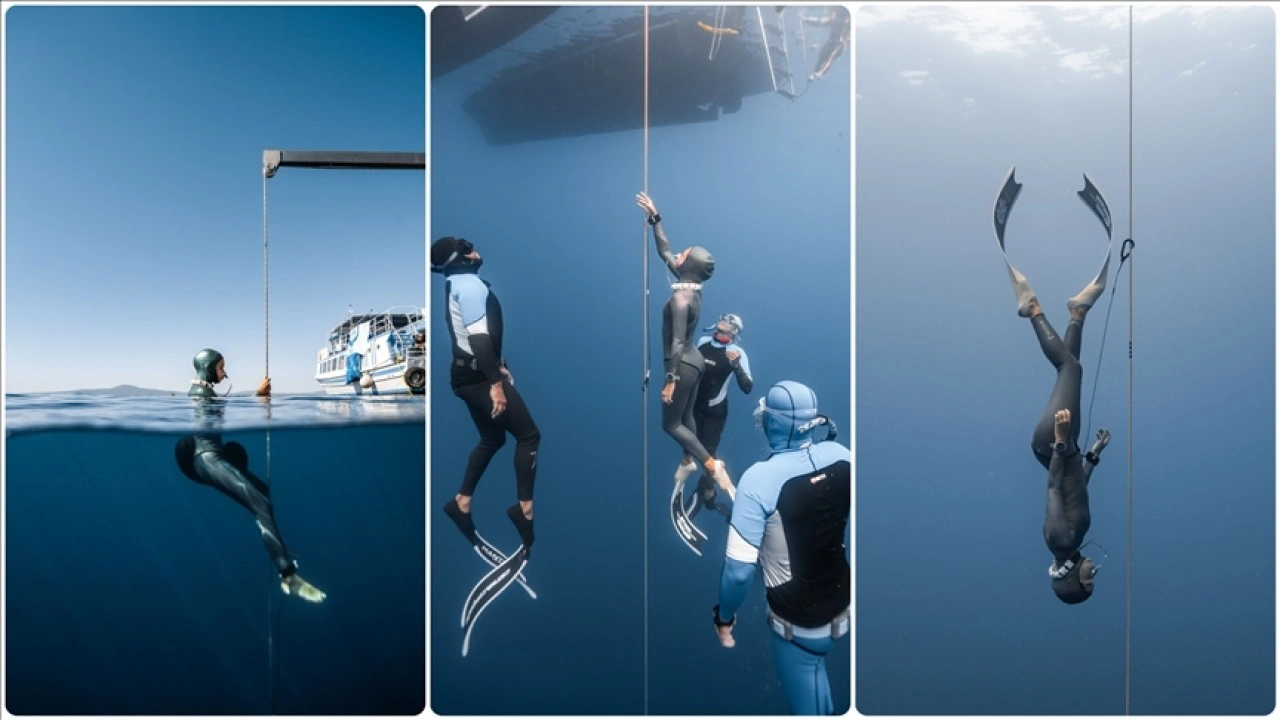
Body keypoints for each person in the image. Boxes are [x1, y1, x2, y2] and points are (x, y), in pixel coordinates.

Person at [995, 169, 1112, 604]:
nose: (1093, 572)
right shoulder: (1075, 537)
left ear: (1068, 579)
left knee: (1071, 372)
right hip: (1067, 448)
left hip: (1051, 444)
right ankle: (1078, 313)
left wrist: (1062, 442)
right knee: (1072, 365)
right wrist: (1093, 457)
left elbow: (1052, 488)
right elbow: (1074, 489)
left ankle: (1031, 306)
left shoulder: (1057, 540)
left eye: (1088, 579)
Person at [712, 381, 849, 715]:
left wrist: (724, 618)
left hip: (800, 626)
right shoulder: (843, 455)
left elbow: (739, 574)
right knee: (820, 695)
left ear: (770, 422)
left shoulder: (758, 480)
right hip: (843, 604)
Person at [176, 348, 325, 602]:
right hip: (207, 459)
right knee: (262, 503)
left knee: (262, 493)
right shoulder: (202, 395)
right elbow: (226, 415)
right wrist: (258, 398)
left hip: (215, 456)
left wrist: (257, 396)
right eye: (221, 367)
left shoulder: (206, 393)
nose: (224, 372)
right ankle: (288, 576)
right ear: (209, 367)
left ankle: (276, 544)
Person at [431, 236, 537, 557]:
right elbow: (477, 339)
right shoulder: (471, 286)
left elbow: (471, 338)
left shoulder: (457, 285)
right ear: (458, 259)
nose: (475, 251)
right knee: (529, 436)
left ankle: (461, 504)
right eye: (467, 249)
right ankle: (525, 511)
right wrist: (494, 383)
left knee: (493, 440)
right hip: (477, 377)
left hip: (468, 375)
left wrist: (498, 368)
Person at [636, 193, 735, 529]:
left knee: (671, 424)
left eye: (683, 255)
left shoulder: (680, 298)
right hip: (695, 361)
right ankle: (688, 458)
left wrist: (670, 379)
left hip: (682, 364)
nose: (677, 254)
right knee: (687, 416)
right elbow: (665, 250)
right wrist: (656, 218)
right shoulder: (690, 285)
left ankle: (710, 465)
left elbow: (677, 340)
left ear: (688, 265)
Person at [688, 313, 753, 517]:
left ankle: (707, 492)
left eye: (730, 321)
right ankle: (707, 486)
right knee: (690, 445)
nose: (724, 321)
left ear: (735, 332)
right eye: (723, 318)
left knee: (707, 453)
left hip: (715, 412)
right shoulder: (703, 341)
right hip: (694, 406)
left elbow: (747, 387)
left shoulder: (736, 352)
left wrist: (736, 367)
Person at [804, 7, 850, 82]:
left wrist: (848, 40)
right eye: (838, 15)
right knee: (821, 58)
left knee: (830, 58)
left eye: (842, 16)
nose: (839, 18)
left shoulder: (847, 24)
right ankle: (814, 74)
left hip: (839, 44)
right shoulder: (833, 20)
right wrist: (805, 20)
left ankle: (821, 73)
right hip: (830, 42)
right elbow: (819, 23)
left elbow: (819, 23)